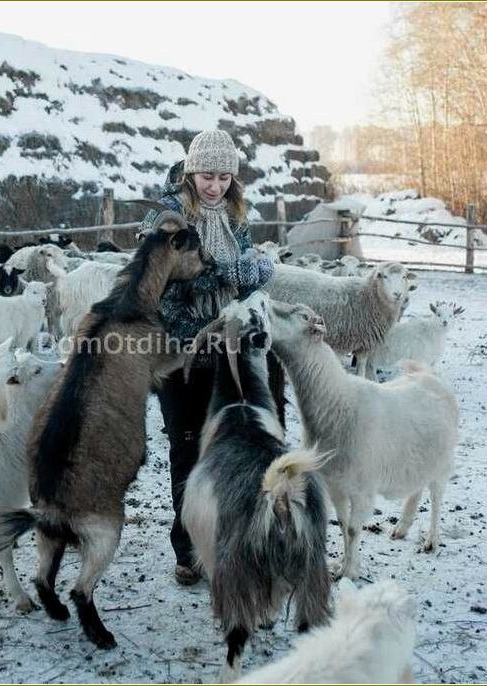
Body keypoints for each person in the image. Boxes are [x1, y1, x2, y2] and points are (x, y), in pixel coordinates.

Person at [141, 129, 275, 585]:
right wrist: (220, 277)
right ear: (190, 171)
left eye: (222, 178)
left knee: (226, 447)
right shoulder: (166, 219)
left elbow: (243, 282)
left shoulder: (237, 218)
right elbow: (155, 287)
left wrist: (255, 274)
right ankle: (187, 549)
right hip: (179, 355)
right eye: (206, 175)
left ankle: (223, 541)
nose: (213, 186)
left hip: (228, 352)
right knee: (185, 448)